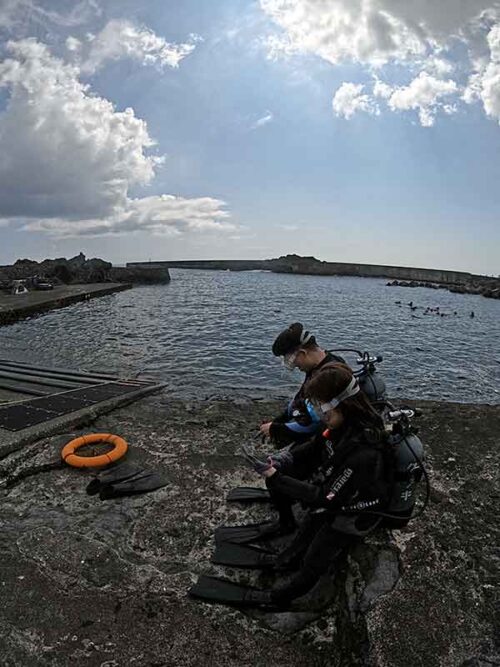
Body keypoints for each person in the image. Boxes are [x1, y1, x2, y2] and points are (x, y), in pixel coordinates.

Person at [254, 363, 390, 606]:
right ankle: (287, 558)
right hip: (337, 493)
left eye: (322, 408)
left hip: (355, 511)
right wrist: (283, 460)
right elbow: (317, 445)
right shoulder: (339, 426)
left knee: (314, 558)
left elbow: (326, 497)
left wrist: (276, 477)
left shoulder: (364, 451)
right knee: (306, 530)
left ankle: (278, 597)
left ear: (341, 405)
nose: (319, 414)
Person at [259, 322, 345, 446]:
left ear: (303, 353)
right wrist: (279, 420)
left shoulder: (328, 376)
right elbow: (300, 397)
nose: (295, 367)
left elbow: (316, 422)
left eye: (292, 362)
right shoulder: (318, 365)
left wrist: (276, 429)